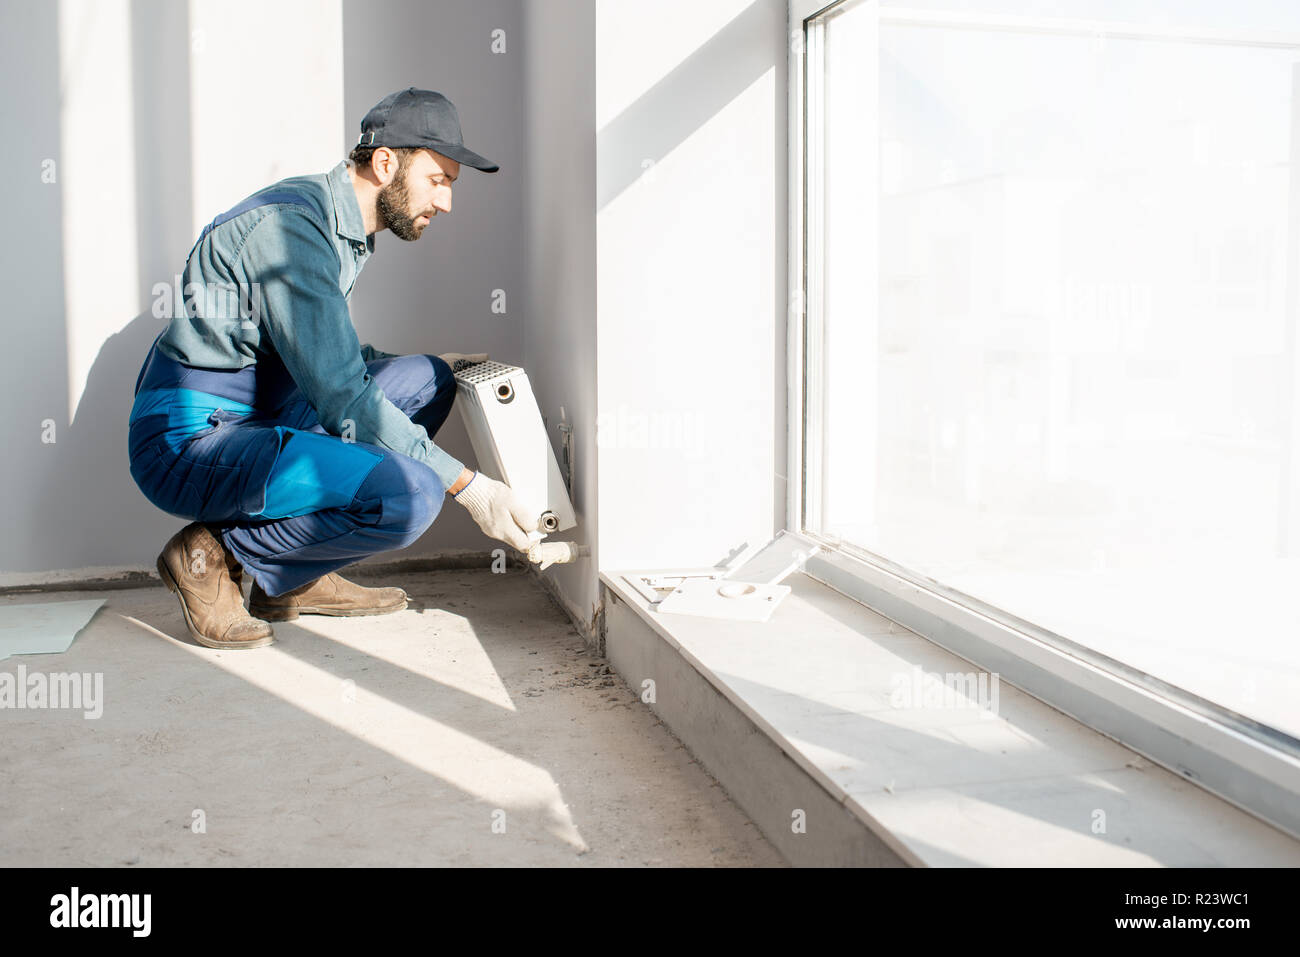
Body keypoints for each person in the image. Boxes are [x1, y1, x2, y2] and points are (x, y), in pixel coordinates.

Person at [128, 88, 537, 651]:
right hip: (192, 439)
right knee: (412, 494)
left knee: (427, 380)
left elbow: (321, 356)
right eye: (438, 180)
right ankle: (208, 555)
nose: (446, 203)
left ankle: (287, 580)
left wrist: (436, 365)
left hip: (257, 413)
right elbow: (343, 395)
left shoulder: (338, 225)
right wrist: (470, 488)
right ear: (386, 162)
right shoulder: (293, 232)